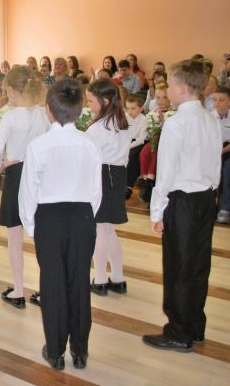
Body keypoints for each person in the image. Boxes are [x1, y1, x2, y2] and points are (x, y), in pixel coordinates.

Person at [20, 79, 101, 371]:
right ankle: (80, 351)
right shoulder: (89, 144)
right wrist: (85, 217)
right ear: (80, 109)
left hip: (49, 218)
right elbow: (96, 192)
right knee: (79, 282)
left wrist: (32, 226)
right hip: (81, 216)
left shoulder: (39, 145)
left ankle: (55, 352)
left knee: (52, 283)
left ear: (48, 110)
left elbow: (28, 191)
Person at [143, 60, 221, 352]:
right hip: (205, 198)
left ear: (181, 87)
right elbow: (215, 164)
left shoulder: (176, 123)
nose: (166, 91)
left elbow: (165, 173)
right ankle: (195, 326)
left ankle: (178, 331)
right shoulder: (210, 119)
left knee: (178, 266)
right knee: (199, 265)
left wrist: (157, 210)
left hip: (183, 201)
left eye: (171, 85)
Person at [0, 66, 48, 309]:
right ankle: (46, 290)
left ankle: (18, 290)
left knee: (14, 236)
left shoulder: (11, 116)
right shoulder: (43, 114)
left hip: (16, 174)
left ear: (13, 91)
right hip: (40, 176)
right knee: (41, 235)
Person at [85, 79, 130, 296]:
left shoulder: (98, 128)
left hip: (102, 175)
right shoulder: (122, 122)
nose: (88, 105)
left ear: (104, 101)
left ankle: (101, 279)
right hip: (118, 175)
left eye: (90, 101)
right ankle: (118, 278)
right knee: (109, 230)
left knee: (100, 230)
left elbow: (88, 157)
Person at [125, 95, 147, 200]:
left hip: (137, 144)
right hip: (125, 142)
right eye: (128, 108)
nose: (130, 111)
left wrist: (128, 146)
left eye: (133, 108)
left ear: (141, 108)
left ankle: (128, 186)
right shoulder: (125, 117)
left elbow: (141, 139)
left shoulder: (144, 120)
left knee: (132, 156)